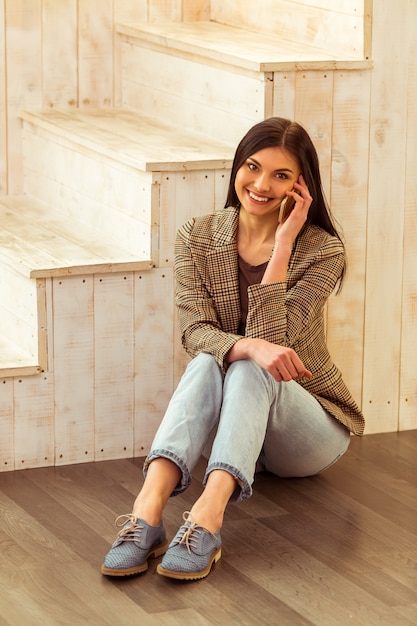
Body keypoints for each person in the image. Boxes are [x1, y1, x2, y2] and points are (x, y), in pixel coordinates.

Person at [101, 117, 364, 581]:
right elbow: (194, 331)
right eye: (253, 167)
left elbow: (276, 344)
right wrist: (244, 347)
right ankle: (147, 511)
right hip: (242, 432)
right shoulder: (197, 236)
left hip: (309, 430)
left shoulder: (323, 251)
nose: (261, 185)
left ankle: (208, 518)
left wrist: (283, 245)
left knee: (254, 365)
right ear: (237, 168)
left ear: (302, 188)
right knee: (211, 359)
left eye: (281, 176)